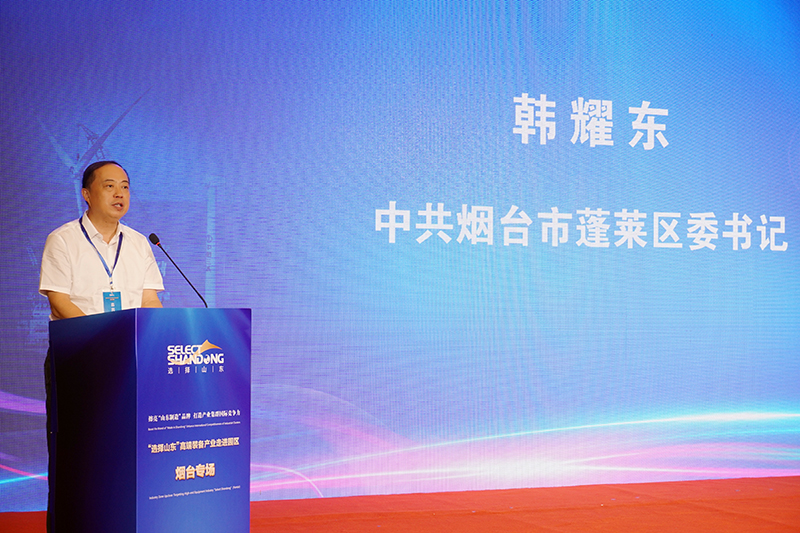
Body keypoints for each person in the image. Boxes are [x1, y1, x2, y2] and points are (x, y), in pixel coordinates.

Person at [39, 160, 164, 531]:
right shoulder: (63, 239)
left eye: (125, 186)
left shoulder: (139, 243)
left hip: (129, 363)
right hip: (77, 359)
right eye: (109, 186)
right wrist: (102, 340)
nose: (120, 193)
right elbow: (59, 300)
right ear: (86, 194)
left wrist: (156, 337)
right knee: (78, 452)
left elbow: (150, 300)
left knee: (125, 453)